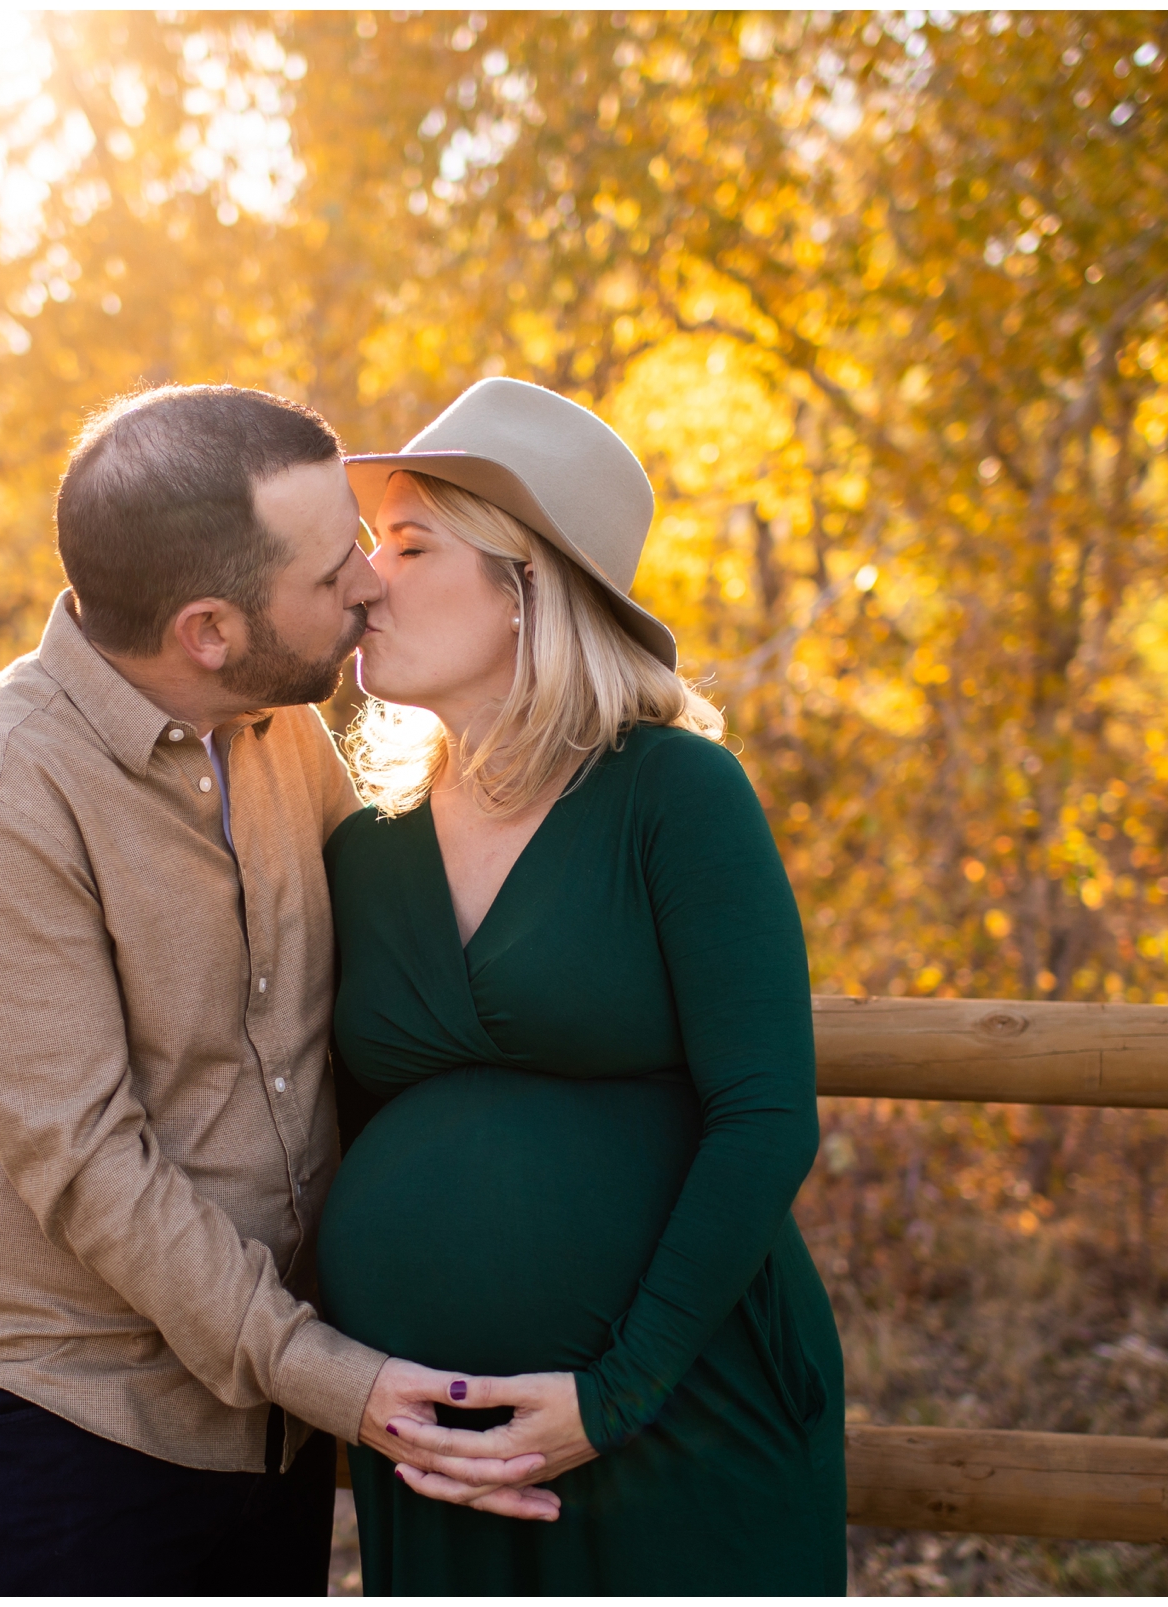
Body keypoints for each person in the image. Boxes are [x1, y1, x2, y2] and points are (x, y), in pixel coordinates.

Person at [0, 384, 557, 1596]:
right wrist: (333, 1375)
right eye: (330, 567)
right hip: (65, 1410)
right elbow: (90, 1161)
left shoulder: (273, 727)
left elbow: (405, 962)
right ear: (208, 628)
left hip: (261, 1398)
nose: (368, 579)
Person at [315, 376, 847, 1593]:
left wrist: (614, 1394)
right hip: (438, 1442)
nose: (365, 580)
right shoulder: (363, 847)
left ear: (526, 588)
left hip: (680, 1411)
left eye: (408, 543)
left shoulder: (673, 795)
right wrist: (357, 1381)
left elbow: (764, 1113)